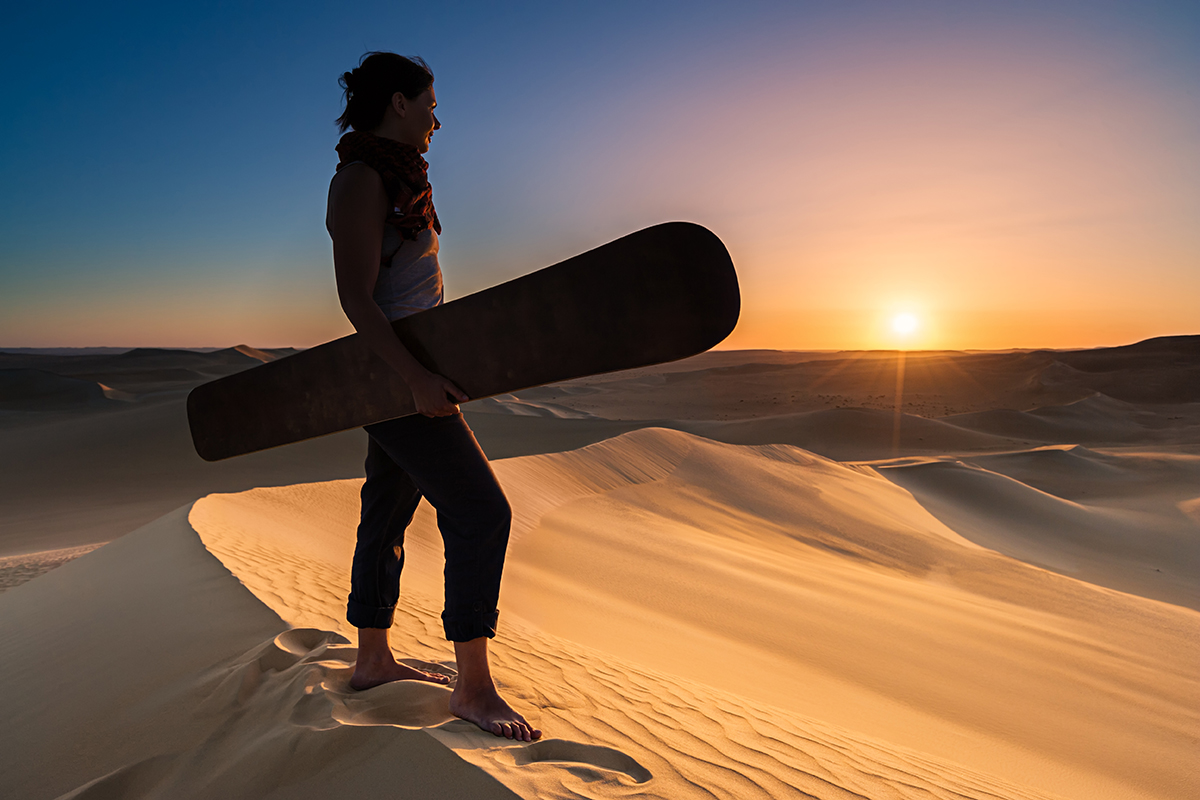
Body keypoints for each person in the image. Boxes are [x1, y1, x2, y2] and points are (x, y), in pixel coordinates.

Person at [325, 51, 540, 743]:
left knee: (385, 511)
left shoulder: (397, 180)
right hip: (394, 376)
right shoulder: (360, 179)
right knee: (482, 511)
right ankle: (474, 688)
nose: (436, 120)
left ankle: (372, 662)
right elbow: (357, 297)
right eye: (430, 104)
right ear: (398, 103)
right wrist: (415, 378)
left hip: (403, 372)